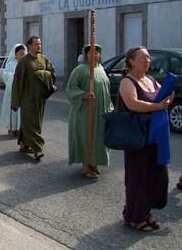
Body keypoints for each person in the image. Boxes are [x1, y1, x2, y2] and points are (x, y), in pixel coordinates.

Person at [119, 47, 172, 231]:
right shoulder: (127, 81)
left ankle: (146, 212)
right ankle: (134, 217)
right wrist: (158, 106)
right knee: (137, 179)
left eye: (149, 58)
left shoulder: (150, 79)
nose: (148, 61)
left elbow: (162, 96)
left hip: (154, 137)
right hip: (137, 138)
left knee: (156, 176)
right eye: (144, 58)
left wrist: (168, 95)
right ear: (132, 61)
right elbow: (133, 104)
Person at [66, 44, 113, 179]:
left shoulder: (101, 69)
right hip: (85, 111)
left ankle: (94, 163)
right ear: (86, 55)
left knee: (98, 138)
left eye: (97, 52)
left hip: (100, 110)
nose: (94, 55)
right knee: (86, 137)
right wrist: (82, 95)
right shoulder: (80, 70)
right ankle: (86, 167)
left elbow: (106, 90)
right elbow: (71, 89)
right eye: (91, 52)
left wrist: (110, 107)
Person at [11, 36, 56, 161]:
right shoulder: (24, 62)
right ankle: (37, 149)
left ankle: (25, 144)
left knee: (35, 122)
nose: (39, 46)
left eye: (40, 44)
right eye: (36, 44)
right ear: (29, 46)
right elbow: (17, 82)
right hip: (27, 98)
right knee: (31, 124)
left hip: (40, 98)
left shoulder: (44, 59)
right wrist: (16, 101)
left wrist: (44, 75)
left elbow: (52, 73)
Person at [0, 44, 27, 136]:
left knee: (21, 111)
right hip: (12, 91)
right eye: (20, 53)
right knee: (12, 110)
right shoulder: (10, 63)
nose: (22, 55)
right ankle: (12, 128)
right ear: (15, 53)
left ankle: (20, 129)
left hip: (23, 91)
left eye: (23, 53)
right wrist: (15, 77)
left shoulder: (26, 63)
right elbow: (6, 75)